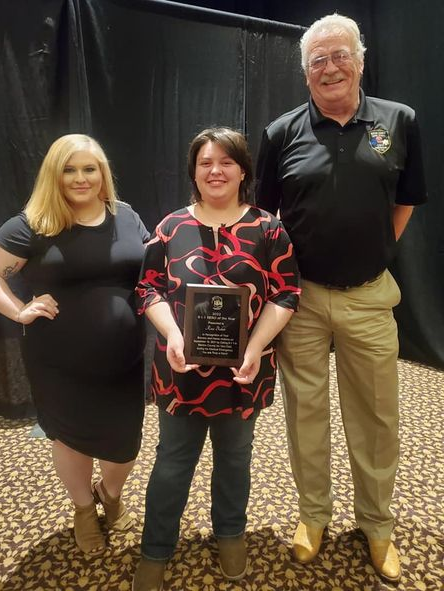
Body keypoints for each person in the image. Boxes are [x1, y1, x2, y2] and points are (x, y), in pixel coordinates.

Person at [255, 13, 427, 583]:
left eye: (339, 55)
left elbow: (404, 202)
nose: (330, 67)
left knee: (377, 416)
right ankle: (313, 516)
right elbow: (266, 218)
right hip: (299, 302)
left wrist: (373, 249)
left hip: (369, 298)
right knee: (305, 414)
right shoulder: (281, 133)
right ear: (306, 72)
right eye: (317, 60)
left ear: (360, 58)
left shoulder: (398, 122)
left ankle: (377, 525)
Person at [132, 127, 300, 591]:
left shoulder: (269, 227)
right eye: (205, 162)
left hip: (244, 372)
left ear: (243, 170)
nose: (215, 171)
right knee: (171, 462)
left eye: (226, 162)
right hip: (181, 370)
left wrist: (252, 347)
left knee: (235, 460)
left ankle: (230, 533)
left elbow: (286, 292)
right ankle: (156, 548)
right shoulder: (170, 227)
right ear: (194, 171)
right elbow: (147, 289)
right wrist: (171, 333)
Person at [0, 134, 150, 554]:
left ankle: (111, 494)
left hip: (123, 362)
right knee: (70, 439)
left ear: (103, 174)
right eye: (70, 169)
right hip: (59, 363)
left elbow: (153, 271)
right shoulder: (34, 223)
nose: (80, 178)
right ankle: (84, 510)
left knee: (125, 446)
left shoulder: (125, 216)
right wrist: (17, 310)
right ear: (55, 174)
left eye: (90, 168)